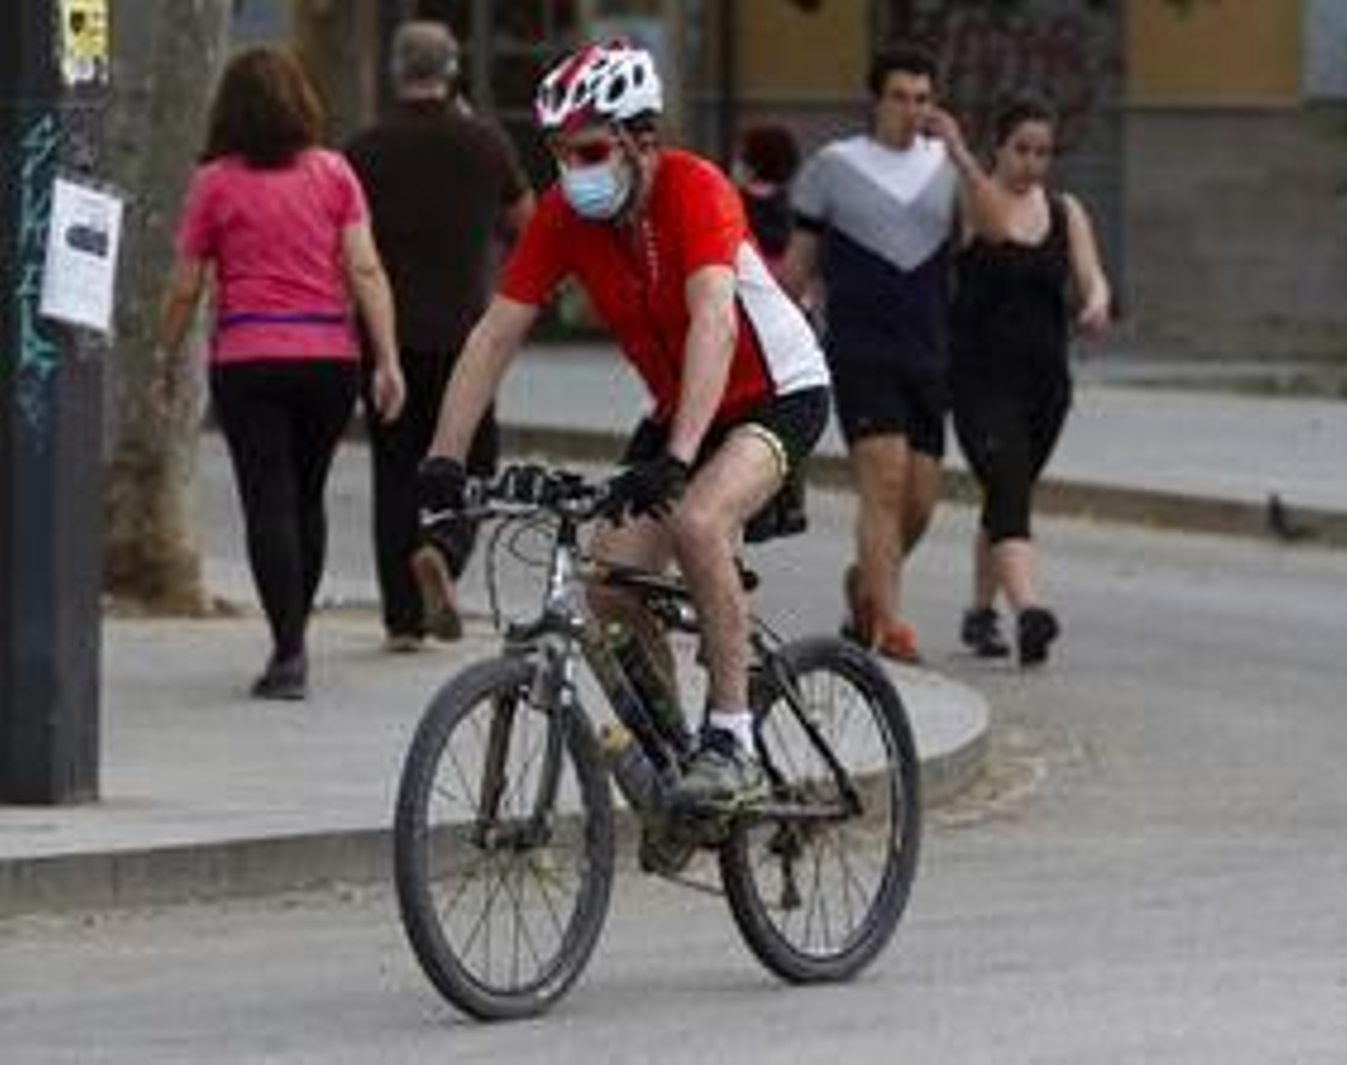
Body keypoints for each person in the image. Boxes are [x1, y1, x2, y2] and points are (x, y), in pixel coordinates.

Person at [417, 41, 831, 811]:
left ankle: (732, 739)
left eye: (591, 150)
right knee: (607, 580)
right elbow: (494, 334)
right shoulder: (564, 218)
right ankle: (679, 762)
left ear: (645, 140)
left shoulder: (696, 189)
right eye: (560, 153)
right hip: (683, 408)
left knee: (701, 520)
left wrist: (678, 456)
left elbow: (714, 319)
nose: (574, 169)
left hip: (776, 391)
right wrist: (443, 455)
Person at [159, 46, 406, 699]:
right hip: (329, 361)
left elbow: (186, 285)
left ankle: (289, 647)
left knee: (268, 502)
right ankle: (294, 638)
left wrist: (166, 356)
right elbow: (365, 268)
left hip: (249, 360)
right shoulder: (334, 173)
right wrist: (387, 358)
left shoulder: (214, 182)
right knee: (307, 495)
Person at [344, 20, 534, 652]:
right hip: (464, 338)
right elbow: (525, 224)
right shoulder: (485, 144)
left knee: (394, 470)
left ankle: (401, 620)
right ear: (452, 70)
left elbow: (346, 247)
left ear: (397, 73)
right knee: (472, 460)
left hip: (387, 341)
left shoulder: (364, 151)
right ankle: (444, 549)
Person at [782, 43, 960, 664]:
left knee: (919, 501)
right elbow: (798, 269)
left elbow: (992, 232)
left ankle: (866, 584)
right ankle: (890, 625)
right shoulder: (834, 166)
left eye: (922, 99)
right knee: (882, 482)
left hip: (929, 353)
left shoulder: (948, 167)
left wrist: (961, 150)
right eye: (899, 97)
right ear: (875, 100)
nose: (911, 110)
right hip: (860, 349)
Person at [925, 95, 1112, 666]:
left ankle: (981, 614)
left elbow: (1091, 277)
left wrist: (1097, 304)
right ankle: (1031, 610)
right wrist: (958, 153)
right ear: (998, 148)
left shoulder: (1065, 211)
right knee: (1008, 490)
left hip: (1046, 386)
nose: (1032, 163)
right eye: (1022, 150)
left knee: (1007, 495)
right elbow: (997, 226)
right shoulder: (973, 203)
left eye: (1043, 152)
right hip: (980, 382)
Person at [733, 124, 801, 271]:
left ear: (754, 163)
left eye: (742, 156)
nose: (737, 162)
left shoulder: (734, 202)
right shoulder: (792, 203)